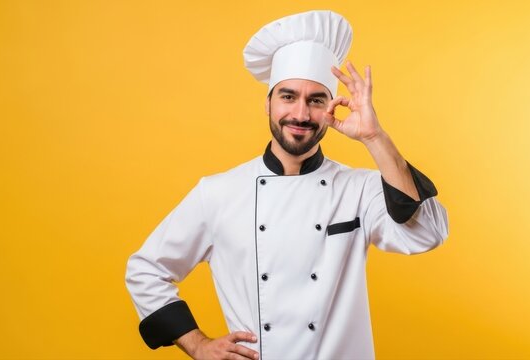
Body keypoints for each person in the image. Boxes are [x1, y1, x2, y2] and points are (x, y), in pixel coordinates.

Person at [126, 10, 448, 360]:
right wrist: (198, 344)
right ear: (268, 103)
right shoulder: (217, 193)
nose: (300, 114)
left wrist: (374, 136)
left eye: (316, 100)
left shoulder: (359, 189)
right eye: (288, 96)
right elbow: (146, 271)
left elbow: (428, 233)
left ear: (331, 107)